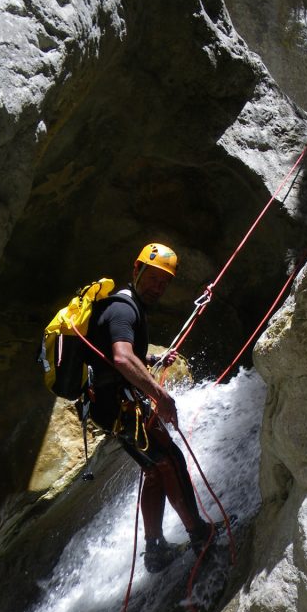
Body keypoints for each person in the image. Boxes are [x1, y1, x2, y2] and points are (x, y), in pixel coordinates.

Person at [84, 242, 213, 573]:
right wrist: (161, 395)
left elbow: (119, 355)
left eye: (164, 282)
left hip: (108, 408)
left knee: (154, 471)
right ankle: (200, 536)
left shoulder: (122, 308)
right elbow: (121, 358)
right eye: (154, 278)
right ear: (136, 270)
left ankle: (155, 551)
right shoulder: (125, 309)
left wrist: (153, 360)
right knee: (171, 459)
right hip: (121, 406)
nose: (158, 287)